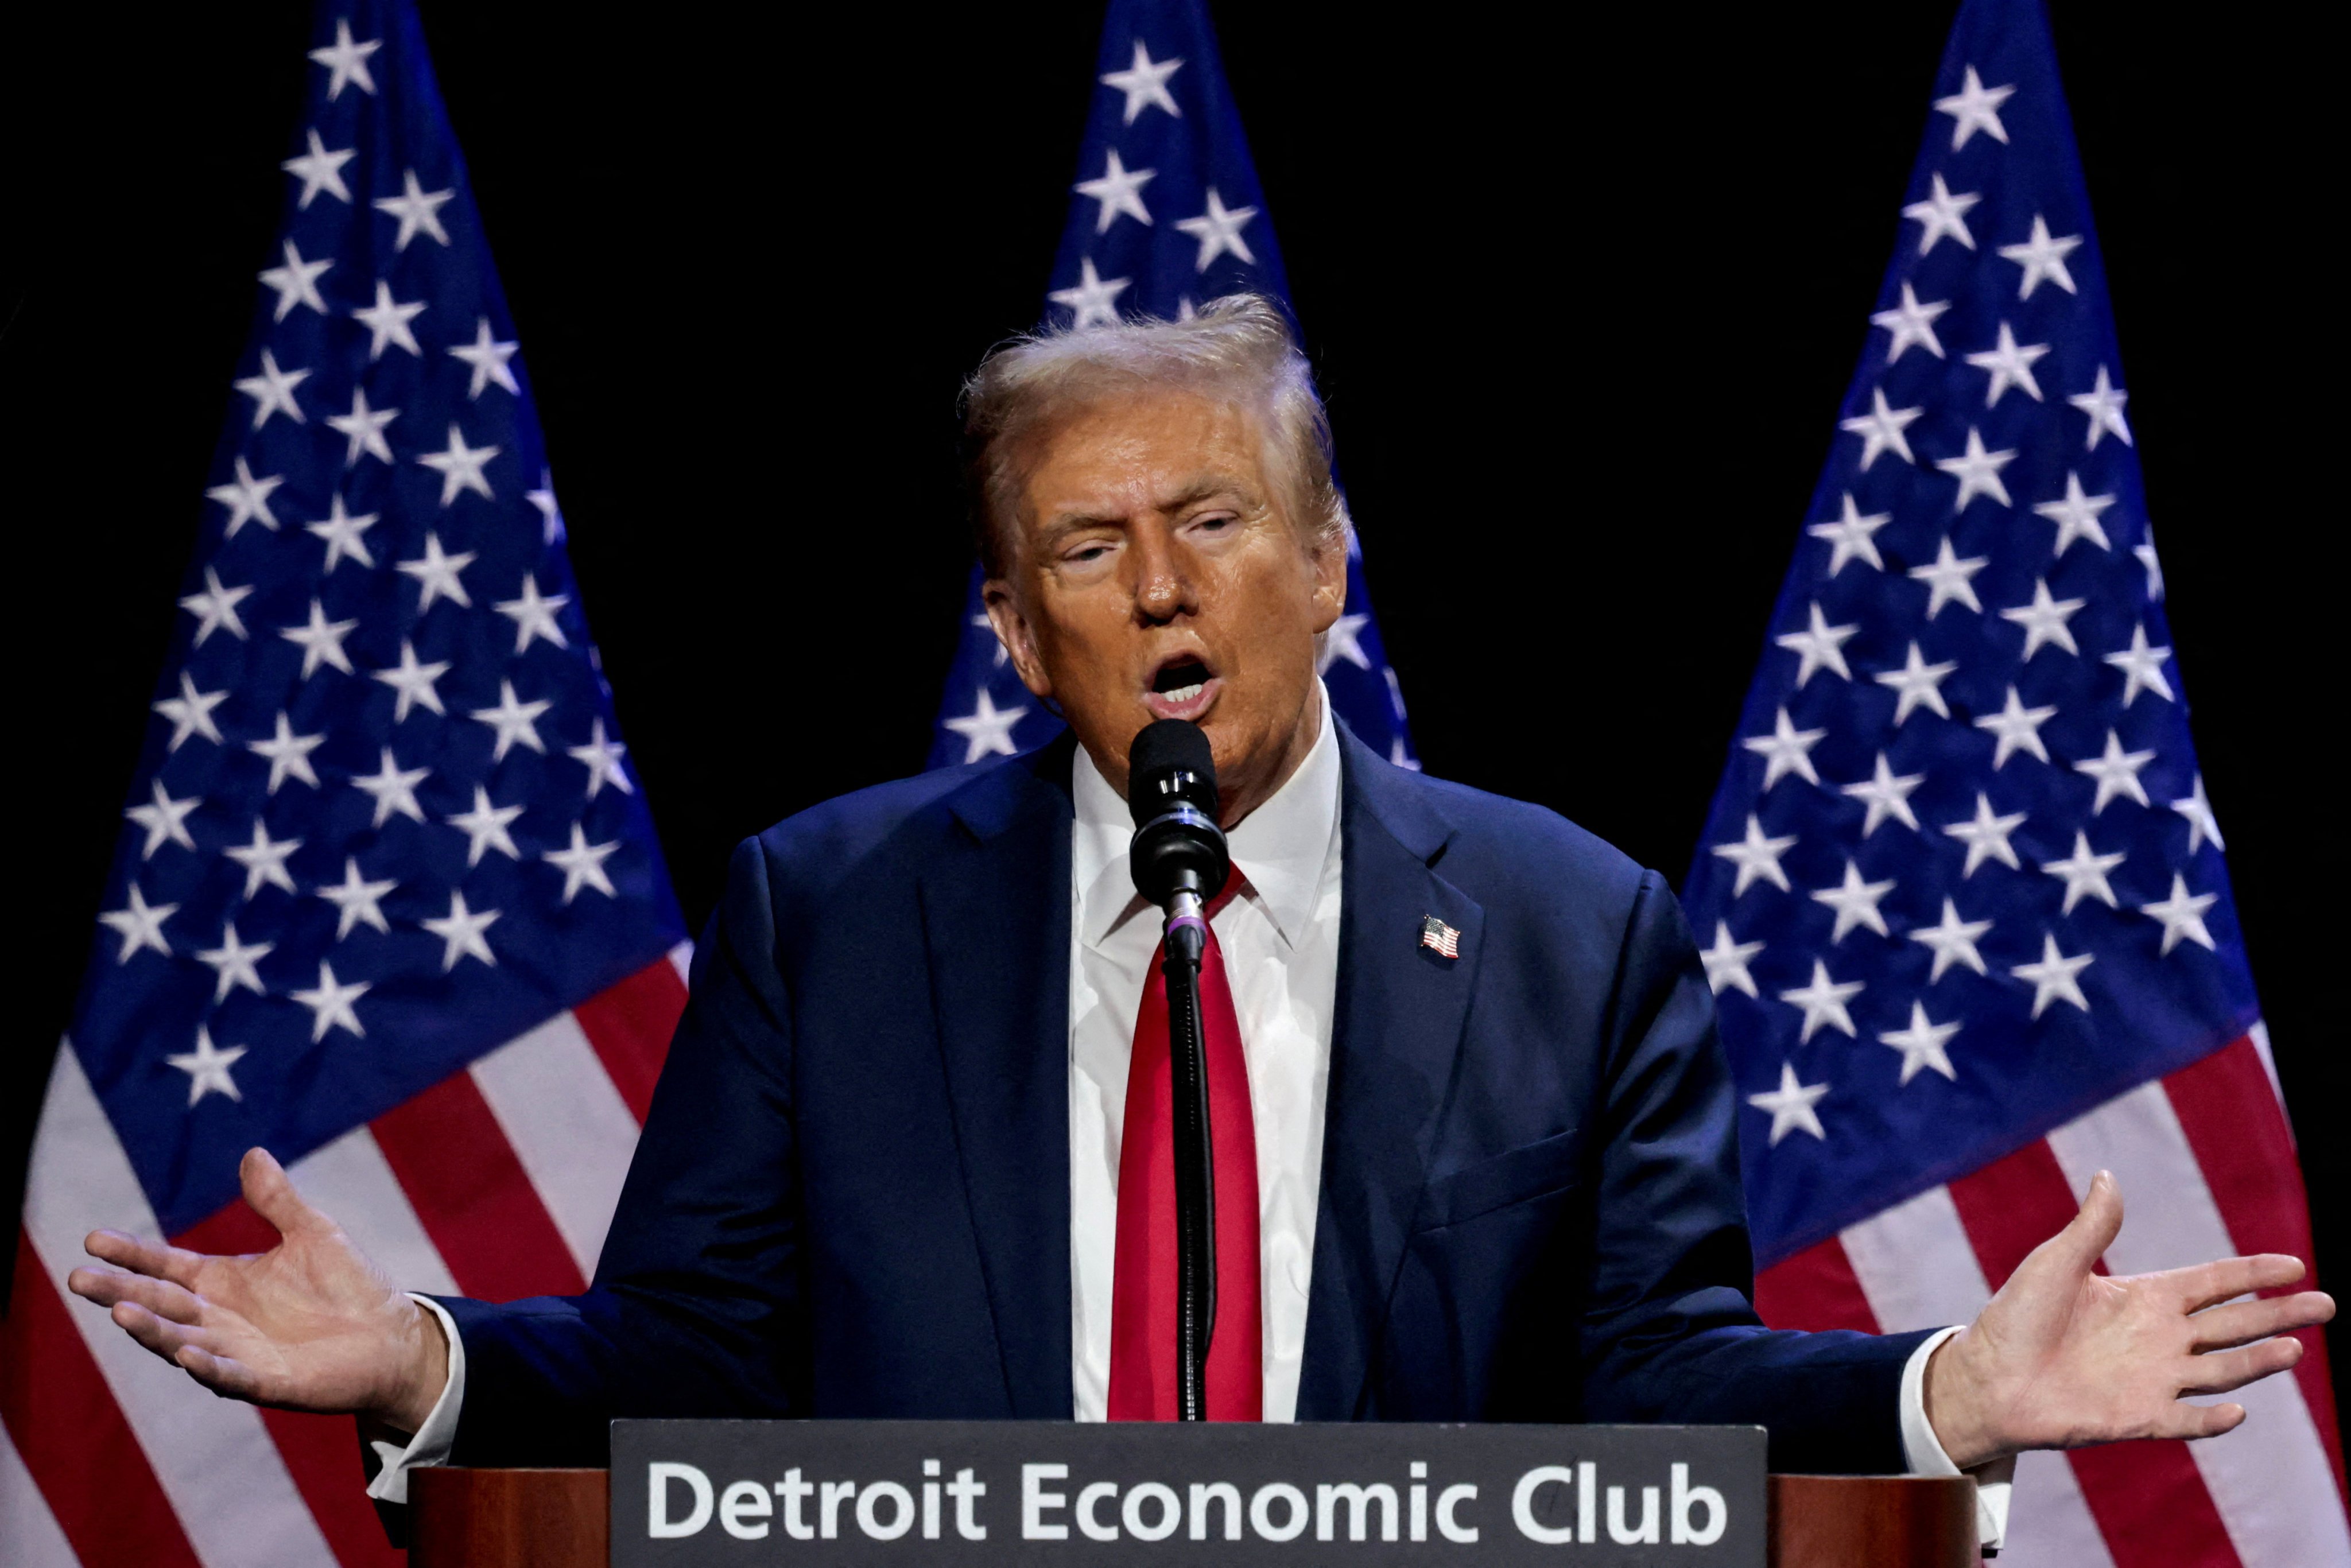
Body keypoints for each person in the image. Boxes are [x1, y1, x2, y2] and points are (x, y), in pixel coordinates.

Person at [69, 297, 2331, 1549]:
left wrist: (1951, 1390)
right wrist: (433, 1360)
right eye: (1081, 544)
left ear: (1329, 560)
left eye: (1212, 516)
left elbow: (1644, 1382)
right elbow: (701, 1359)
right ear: (1013, 624)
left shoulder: (1570, 928)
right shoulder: (832, 913)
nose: (1153, 583)